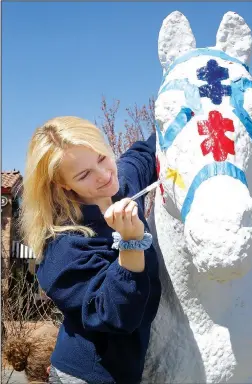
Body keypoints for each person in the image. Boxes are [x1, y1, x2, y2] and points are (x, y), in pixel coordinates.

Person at [20, 116, 161, 384]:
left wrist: (183, 116)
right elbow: (116, 315)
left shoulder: (122, 185)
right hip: (89, 376)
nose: (104, 175)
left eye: (101, 157)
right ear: (63, 184)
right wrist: (131, 242)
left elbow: (146, 151)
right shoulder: (63, 247)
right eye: (84, 174)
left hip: (133, 368)